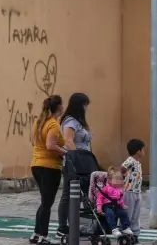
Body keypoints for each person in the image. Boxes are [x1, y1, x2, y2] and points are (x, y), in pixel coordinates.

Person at [28, 95, 67, 245]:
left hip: (36, 164)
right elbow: (50, 146)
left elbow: (33, 142)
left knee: (45, 202)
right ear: (59, 107)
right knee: (47, 203)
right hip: (50, 167)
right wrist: (66, 152)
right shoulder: (53, 124)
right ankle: (43, 236)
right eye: (62, 104)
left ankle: (36, 234)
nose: (63, 107)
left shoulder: (38, 122)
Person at [55, 93, 93, 240]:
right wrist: (78, 158)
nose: (86, 108)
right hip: (74, 164)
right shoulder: (70, 122)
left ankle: (78, 225)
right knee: (68, 195)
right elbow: (68, 141)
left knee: (82, 194)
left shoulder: (79, 122)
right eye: (85, 105)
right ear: (79, 105)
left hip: (85, 163)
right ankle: (62, 227)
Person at [95, 167, 134, 238]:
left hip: (116, 206)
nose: (120, 181)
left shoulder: (120, 190)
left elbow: (120, 198)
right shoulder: (106, 189)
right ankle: (114, 229)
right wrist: (99, 207)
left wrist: (122, 205)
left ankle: (126, 227)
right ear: (109, 180)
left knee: (123, 213)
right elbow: (100, 198)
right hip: (107, 206)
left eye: (121, 179)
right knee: (110, 214)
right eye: (117, 179)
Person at [121, 139, 145, 236]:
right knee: (128, 212)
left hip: (137, 191)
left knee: (136, 213)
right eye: (143, 150)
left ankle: (135, 232)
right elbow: (122, 168)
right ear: (138, 151)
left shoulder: (137, 162)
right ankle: (125, 230)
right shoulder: (130, 160)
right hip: (128, 191)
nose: (143, 152)